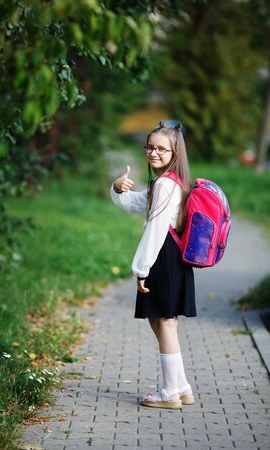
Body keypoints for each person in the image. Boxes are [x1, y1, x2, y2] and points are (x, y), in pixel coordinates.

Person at [110, 121, 196, 409]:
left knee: (165, 322)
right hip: (171, 256)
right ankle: (181, 386)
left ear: (174, 152)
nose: (154, 152)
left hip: (163, 255)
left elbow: (156, 229)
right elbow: (135, 204)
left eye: (162, 148)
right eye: (150, 146)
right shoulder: (169, 182)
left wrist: (141, 269)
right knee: (160, 320)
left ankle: (170, 392)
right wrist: (116, 187)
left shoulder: (165, 184)